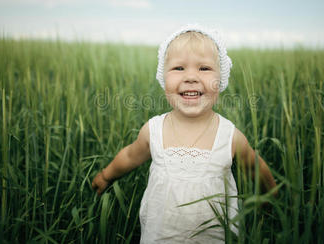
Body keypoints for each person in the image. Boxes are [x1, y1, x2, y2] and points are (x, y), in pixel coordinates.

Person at [92, 24, 277, 243]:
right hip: (160, 235)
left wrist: (271, 198)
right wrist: (106, 175)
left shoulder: (229, 136)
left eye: (204, 69)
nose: (191, 77)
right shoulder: (154, 130)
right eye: (179, 68)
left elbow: (254, 166)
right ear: (163, 78)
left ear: (221, 78)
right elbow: (131, 155)